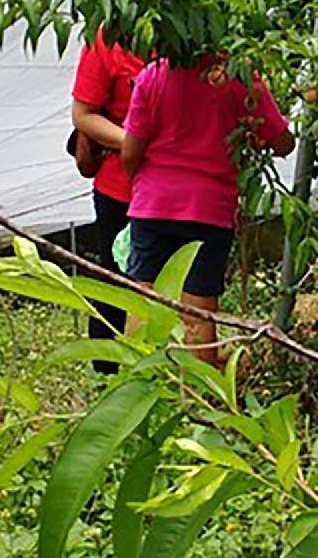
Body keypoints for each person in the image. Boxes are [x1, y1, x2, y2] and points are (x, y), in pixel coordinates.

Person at [120, 54, 294, 360]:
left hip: (154, 203)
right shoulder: (239, 77)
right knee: (198, 313)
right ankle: (196, 399)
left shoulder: (154, 74)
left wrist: (146, 186)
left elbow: (130, 152)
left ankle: (139, 384)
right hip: (209, 208)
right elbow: (283, 143)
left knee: (144, 300)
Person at [70, 29, 145, 372]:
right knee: (114, 281)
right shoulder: (108, 37)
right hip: (120, 189)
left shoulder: (196, 29)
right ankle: (106, 376)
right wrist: (133, 143)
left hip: (182, 189)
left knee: (180, 287)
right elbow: (84, 114)